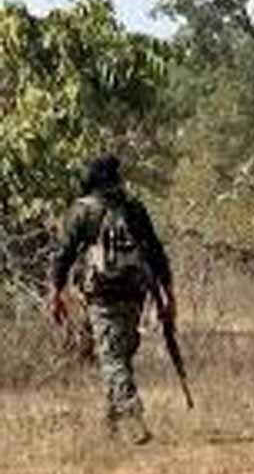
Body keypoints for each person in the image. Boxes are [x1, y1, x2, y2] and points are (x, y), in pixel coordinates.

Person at [49, 154, 175, 444]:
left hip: (101, 294)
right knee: (120, 355)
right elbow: (155, 252)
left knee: (112, 357)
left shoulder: (82, 211)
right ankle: (113, 427)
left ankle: (132, 415)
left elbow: (64, 255)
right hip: (134, 291)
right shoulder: (133, 208)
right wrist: (168, 293)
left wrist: (55, 292)